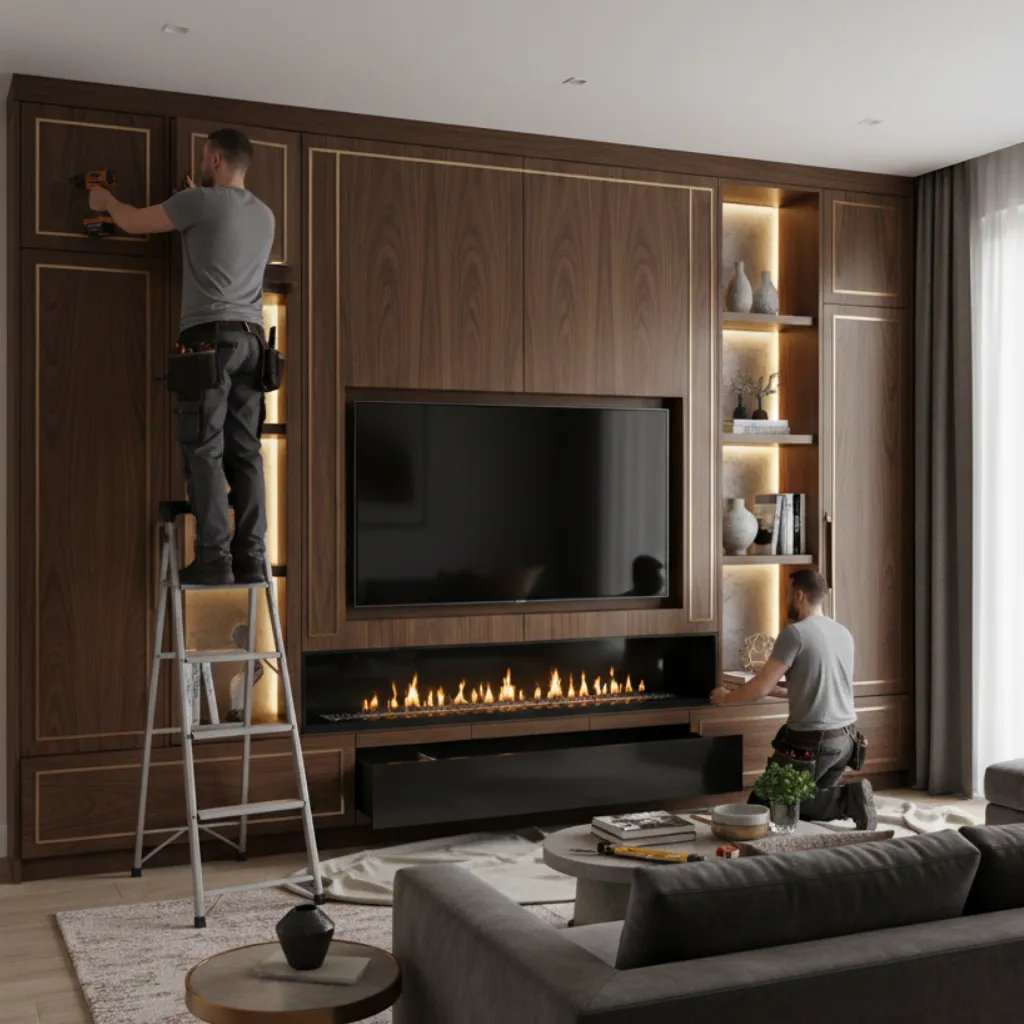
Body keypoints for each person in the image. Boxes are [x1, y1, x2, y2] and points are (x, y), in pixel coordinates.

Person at [89, 129, 275, 585]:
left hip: (208, 343)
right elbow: (217, 234)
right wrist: (191, 199)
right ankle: (251, 557)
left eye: (205, 157)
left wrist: (104, 200)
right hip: (253, 345)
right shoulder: (264, 214)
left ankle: (214, 558)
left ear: (215, 158)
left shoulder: (200, 203)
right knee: (246, 452)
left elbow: (134, 222)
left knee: (204, 448)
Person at [709, 569, 876, 830]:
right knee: (804, 805)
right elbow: (808, 687)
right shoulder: (843, 632)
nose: (786, 599)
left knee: (765, 805)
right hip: (846, 739)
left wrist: (726, 697)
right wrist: (767, 688)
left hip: (813, 741)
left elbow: (761, 688)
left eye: (788, 593)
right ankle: (842, 800)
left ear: (799, 595)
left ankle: (848, 801)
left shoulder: (795, 633)